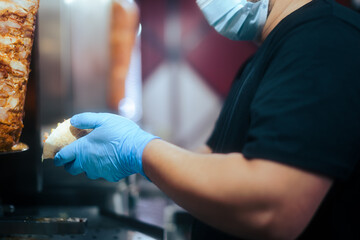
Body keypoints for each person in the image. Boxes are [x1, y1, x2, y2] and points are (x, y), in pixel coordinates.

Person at [54, 0, 360, 239]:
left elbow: (272, 206)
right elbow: (214, 161)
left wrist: (139, 150)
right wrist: (139, 158)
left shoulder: (322, 38)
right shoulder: (263, 58)